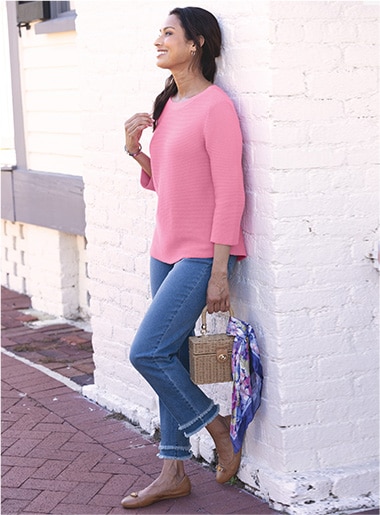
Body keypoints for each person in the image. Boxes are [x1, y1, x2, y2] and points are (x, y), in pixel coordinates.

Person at [122, 6, 247, 509]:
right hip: (165, 248)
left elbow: (229, 193)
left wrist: (220, 271)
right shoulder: (170, 103)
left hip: (201, 255)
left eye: (168, 33)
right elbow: (168, 184)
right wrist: (136, 152)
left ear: (195, 44)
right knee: (168, 355)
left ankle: (216, 430)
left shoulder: (217, 107)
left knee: (146, 352)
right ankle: (173, 470)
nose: (158, 40)